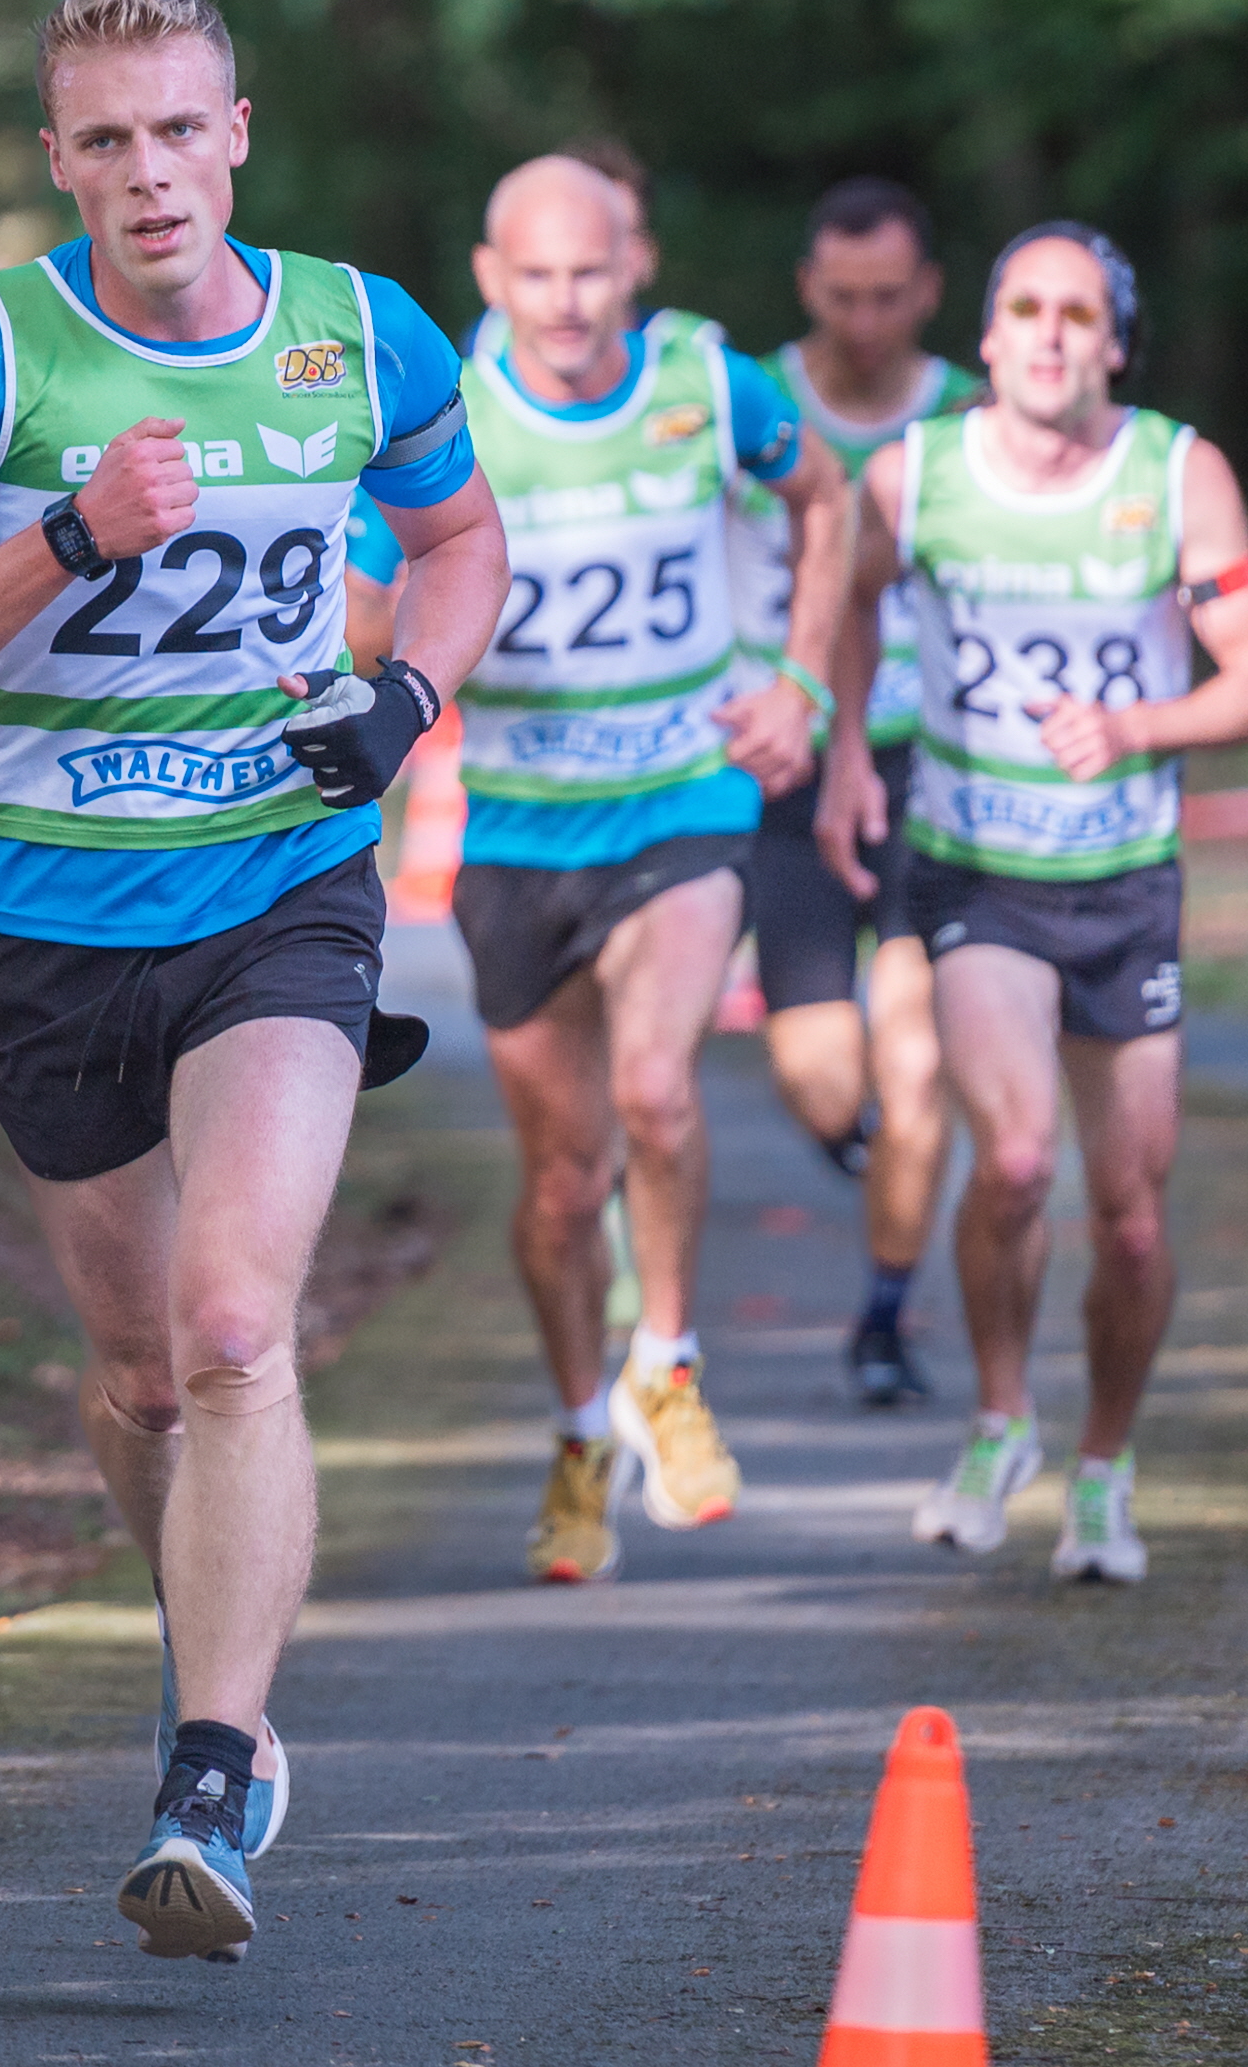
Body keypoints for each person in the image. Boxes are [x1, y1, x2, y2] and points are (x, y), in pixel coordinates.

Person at [0, 0, 500, 1963]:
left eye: (178, 129)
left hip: (278, 894)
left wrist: (401, 706)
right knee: (136, 1373)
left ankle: (215, 1759)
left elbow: (462, 541)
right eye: (104, 139)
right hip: (48, 921)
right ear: (60, 160)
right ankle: (202, 1628)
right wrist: (67, 535)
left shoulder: (358, 333)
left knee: (230, 1322)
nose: (148, 174)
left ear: (237, 134)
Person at [830, 222, 1248, 1587]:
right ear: (983, 338)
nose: (1045, 332)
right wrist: (848, 745)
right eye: (1021, 307)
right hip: (977, 870)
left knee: (1132, 1213)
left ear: (1113, 345)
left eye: (1075, 314)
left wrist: (1136, 724)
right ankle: (994, 1421)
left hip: (1123, 878)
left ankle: (1101, 1468)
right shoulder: (912, 479)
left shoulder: (1175, 473)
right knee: (1018, 1161)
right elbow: (845, 609)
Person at [451, 155, 849, 1586]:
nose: (566, 303)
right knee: (563, 1183)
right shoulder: (446, 411)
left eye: (591, 272)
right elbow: (375, 588)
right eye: (536, 276)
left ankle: (666, 1361)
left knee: (656, 1090)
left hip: (683, 799)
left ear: (636, 267)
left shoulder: (706, 382)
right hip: (515, 831)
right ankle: (579, 1434)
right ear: (494, 280)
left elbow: (828, 501)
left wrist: (798, 681)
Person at [736, 179, 986, 1407]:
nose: (868, 318)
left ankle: (885, 1319)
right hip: (791, 760)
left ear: (928, 293)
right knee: (818, 1070)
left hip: (930, 767)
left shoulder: (971, 420)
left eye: (891, 296)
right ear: (808, 290)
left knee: (917, 1058)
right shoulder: (754, 401)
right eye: (844, 297)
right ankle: (888, 1159)